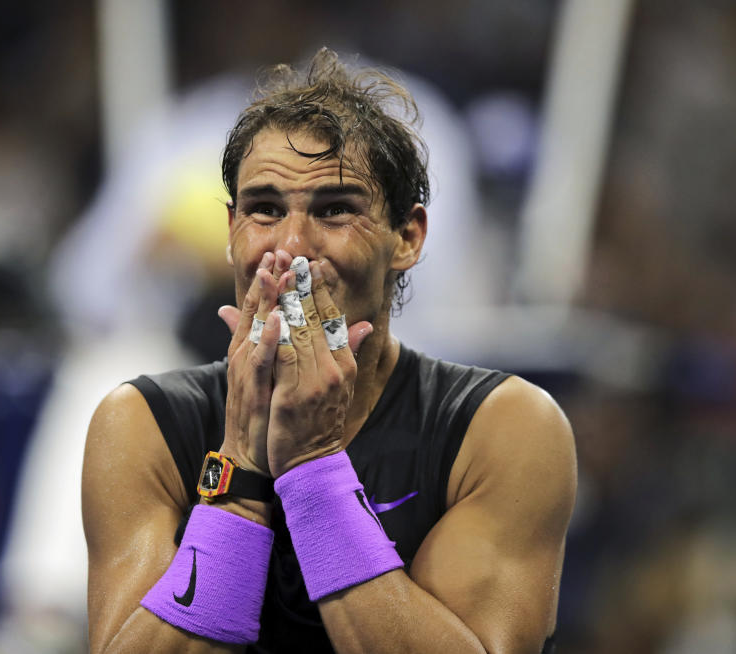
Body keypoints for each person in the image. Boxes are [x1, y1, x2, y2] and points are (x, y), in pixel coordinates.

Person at [82, 48, 576, 654]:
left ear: (408, 237)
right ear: (232, 229)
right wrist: (242, 462)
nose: (292, 245)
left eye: (335, 209)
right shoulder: (139, 425)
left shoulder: (503, 428)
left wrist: (313, 466)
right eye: (264, 210)